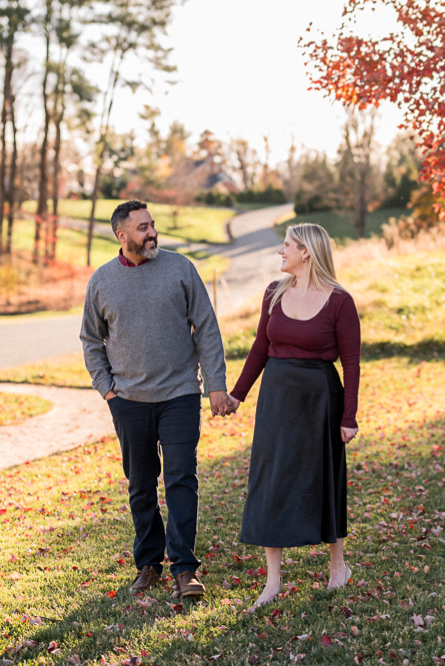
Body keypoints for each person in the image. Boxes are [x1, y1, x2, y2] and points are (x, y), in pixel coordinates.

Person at [81, 199, 236, 599]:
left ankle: (185, 567)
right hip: (129, 400)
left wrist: (215, 384)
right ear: (122, 235)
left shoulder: (181, 268)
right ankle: (149, 564)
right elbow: (90, 340)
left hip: (180, 394)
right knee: (141, 484)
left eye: (152, 225)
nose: (151, 233)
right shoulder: (101, 281)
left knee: (182, 477)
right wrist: (108, 391)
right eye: (142, 228)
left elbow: (206, 327)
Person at [227, 222, 361, 608]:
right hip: (276, 400)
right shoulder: (273, 293)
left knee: (324, 479)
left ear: (307, 252)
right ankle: (272, 582)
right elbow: (259, 349)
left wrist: (348, 417)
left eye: (286, 245)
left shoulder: (339, 301)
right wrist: (238, 394)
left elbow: (351, 363)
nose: (280, 251)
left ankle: (338, 567)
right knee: (272, 481)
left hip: (320, 401)